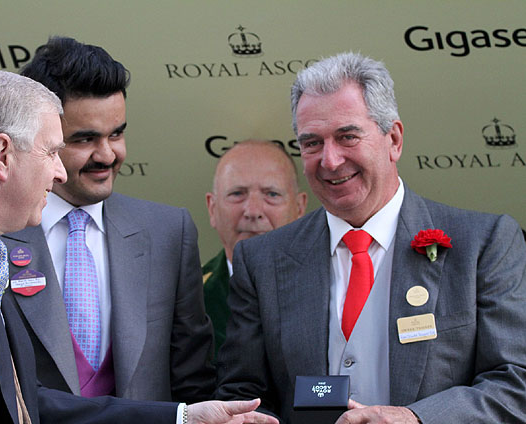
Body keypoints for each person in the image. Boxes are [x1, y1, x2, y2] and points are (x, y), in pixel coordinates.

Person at [0, 69, 279, 424]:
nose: (59, 172)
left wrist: (183, 418)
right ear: (2, 155)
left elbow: (22, 402)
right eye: (51, 152)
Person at [215, 52, 526, 423]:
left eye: (347, 136)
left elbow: (514, 384)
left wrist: (416, 419)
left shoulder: (483, 244)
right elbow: (244, 394)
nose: (329, 160)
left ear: (393, 139)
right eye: (312, 143)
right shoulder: (262, 260)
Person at [0, 36, 214, 403]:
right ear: (42, 139)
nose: (107, 154)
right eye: (85, 139)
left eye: (116, 133)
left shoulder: (168, 232)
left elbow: (193, 382)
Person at [203, 140, 306, 356]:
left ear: (300, 208)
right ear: (212, 209)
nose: (253, 211)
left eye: (272, 194)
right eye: (237, 194)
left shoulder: (334, 290)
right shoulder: (188, 298)